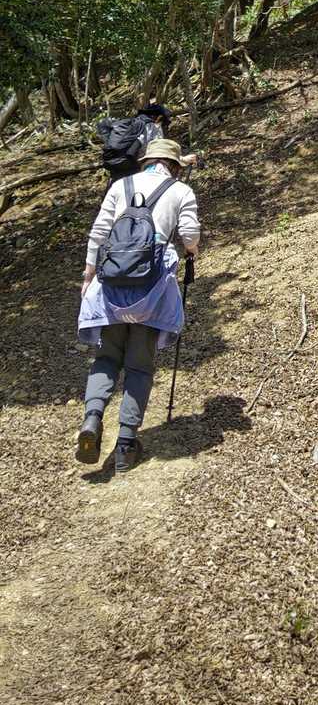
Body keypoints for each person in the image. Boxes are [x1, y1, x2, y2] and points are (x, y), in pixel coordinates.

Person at [76, 137, 200, 474]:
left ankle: (92, 419)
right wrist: (192, 251)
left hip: (112, 284)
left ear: (146, 161)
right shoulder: (180, 191)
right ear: (174, 166)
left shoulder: (121, 185)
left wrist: (88, 275)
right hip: (151, 289)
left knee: (106, 357)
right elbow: (189, 235)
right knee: (140, 366)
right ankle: (126, 445)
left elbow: (99, 233)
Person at [95, 101, 173, 181]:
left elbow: (102, 124)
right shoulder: (152, 127)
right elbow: (154, 149)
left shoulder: (129, 123)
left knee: (116, 184)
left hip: (112, 161)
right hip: (131, 165)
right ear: (159, 117)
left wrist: (109, 144)